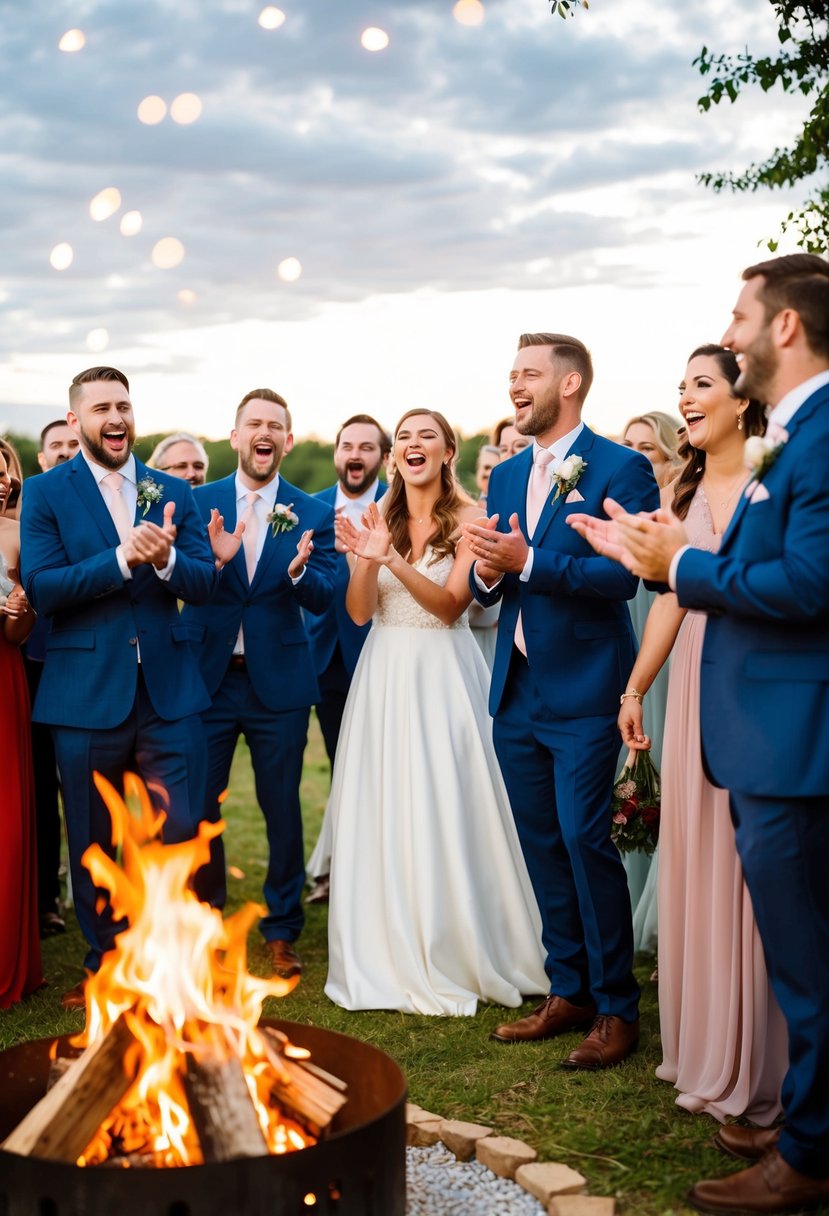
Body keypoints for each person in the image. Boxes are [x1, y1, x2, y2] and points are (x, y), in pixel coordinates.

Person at [569, 254, 829, 1214]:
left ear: (785, 329)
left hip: (795, 738)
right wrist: (652, 552)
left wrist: (682, 564)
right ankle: (802, 1122)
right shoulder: (795, 441)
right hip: (764, 733)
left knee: (806, 966)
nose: (729, 333)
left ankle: (803, 1153)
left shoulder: (818, 438)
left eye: (738, 317)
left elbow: (807, 586)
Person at [464, 332, 659, 1068]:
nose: (514, 383)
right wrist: (490, 571)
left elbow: (623, 578)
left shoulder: (621, 466)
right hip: (516, 689)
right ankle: (567, 989)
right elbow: (497, 574)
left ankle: (616, 1007)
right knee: (541, 842)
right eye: (510, 372)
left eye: (528, 373)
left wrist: (532, 561)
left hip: (583, 687)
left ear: (569, 384)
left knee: (585, 839)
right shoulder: (508, 472)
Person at [325, 409, 547, 1016]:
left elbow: (451, 607)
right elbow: (360, 611)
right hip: (383, 672)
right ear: (395, 455)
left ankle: (462, 943)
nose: (412, 444)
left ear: (449, 450)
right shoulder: (377, 517)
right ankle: (387, 945)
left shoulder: (473, 519)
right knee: (386, 802)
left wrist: (393, 560)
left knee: (448, 800)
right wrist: (368, 558)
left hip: (444, 672)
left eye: (427, 435)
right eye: (404, 437)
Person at [619, 347, 787, 1125]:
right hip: (687, 682)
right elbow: (667, 599)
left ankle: (760, 1055)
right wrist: (636, 687)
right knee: (693, 851)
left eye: (700, 385)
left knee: (748, 862)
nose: (684, 398)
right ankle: (699, 1044)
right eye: (680, 387)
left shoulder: (772, 477)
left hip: (752, 681)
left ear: (740, 400)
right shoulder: (684, 486)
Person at [20, 366, 218, 1007]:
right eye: (102, 407)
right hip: (83, 693)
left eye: (124, 406)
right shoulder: (47, 493)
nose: (117, 417)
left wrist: (163, 559)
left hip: (169, 691)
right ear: (75, 420)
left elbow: (203, 585)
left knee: (182, 829)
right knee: (93, 840)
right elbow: (45, 590)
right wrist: (119, 559)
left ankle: (170, 960)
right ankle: (107, 964)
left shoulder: (170, 490)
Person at [181, 388, 337, 979]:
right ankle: (202, 921)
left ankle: (281, 928)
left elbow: (323, 596)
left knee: (281, 808)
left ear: (288, 441)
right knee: (199, 808)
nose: (264, 433)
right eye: (254, 424)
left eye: (276, 425)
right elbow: (183, 584)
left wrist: (298, 572)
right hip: (208, 680)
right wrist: (216, 563)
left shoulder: (313, 512)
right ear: (236, 435)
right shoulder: (196, 503)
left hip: (280, 685)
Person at [304, 414, 389, 906]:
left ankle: (374, 871)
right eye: (346, 446)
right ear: (336, 454)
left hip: (380, 656)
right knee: (341, 766)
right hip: (322, 657)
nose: (355, 455)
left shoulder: (396, 510)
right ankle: (339, 868)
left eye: (366, 447)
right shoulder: (309, 508)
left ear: (381, 456)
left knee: (381, 764)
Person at [617, 410, 682, 953]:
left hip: (675, 645)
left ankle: (668, 912)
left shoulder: (681, 515)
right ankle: (634, 894)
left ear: (669, 459)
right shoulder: (617, 524)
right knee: (633, 767)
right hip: (632, 646)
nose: (638, 458)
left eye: (649, 450)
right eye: (629, 447)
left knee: (672, 765)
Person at [24, 420, 81, 937]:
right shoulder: (32, 513)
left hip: (85, 660)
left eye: (71, 446)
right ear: (41, 461)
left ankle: (64, 892)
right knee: (39, 783)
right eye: (56, 449)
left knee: (82, 788)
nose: (65, 454)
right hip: (33, 663)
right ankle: (41, 894)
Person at [0, 443, 43, 1008]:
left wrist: (20, 612)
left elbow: (18, 633)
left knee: (7, 821)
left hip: (4, 679)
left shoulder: (16, 537)